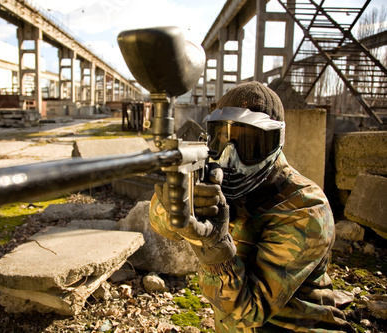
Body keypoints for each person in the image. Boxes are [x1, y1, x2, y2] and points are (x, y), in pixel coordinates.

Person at [149, 81, 354, 332]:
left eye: (249, 144)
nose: (229, 158)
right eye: (221, 139)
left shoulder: (305, 208)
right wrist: (178, 201)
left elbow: (248, 311)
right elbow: (162, 225)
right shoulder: (214, 177)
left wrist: (214, 247)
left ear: (275, 142)